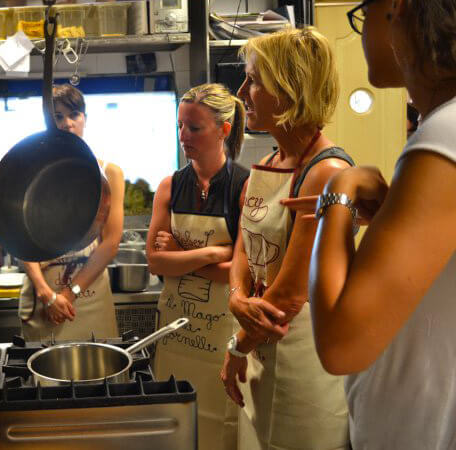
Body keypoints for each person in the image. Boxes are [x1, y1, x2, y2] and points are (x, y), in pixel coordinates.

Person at [282, 1, 456, 448]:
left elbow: (341, 343)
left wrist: (336, 198)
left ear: (395, 10)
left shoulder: (443, 136)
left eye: (363, 14)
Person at [221, 27, 353, 449]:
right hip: (260, 343)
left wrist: (237, 347)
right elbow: (242, 244)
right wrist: (237, 296)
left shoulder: (326, 172)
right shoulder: (267, 162)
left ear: (290, 89)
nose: (242, 91)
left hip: (301, 354)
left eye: (255, 80)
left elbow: (291, 295)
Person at [147, 83, 248, 450]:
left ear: (223, 129)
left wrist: (179, 255)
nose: (183, 137)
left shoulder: (243, 185)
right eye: (180, 127)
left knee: (219, 428)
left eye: (194, 128)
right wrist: (209, 254)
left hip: (222, 335)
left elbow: (239, 270)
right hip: (175, 336)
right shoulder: (170, 186)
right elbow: (155, 262)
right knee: (174, 424)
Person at [18, 84, 124, 340]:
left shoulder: (110, 173)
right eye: (57, 117)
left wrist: (68, 294)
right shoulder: (30, 173)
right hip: (42, 296)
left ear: (84, 118)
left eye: (74, 114)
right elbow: (19, 240)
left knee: (99, 376)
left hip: (90, 298)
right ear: (47, 123)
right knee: (44, 378)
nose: (67, 123)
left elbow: (109, 244)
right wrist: (46, 293)